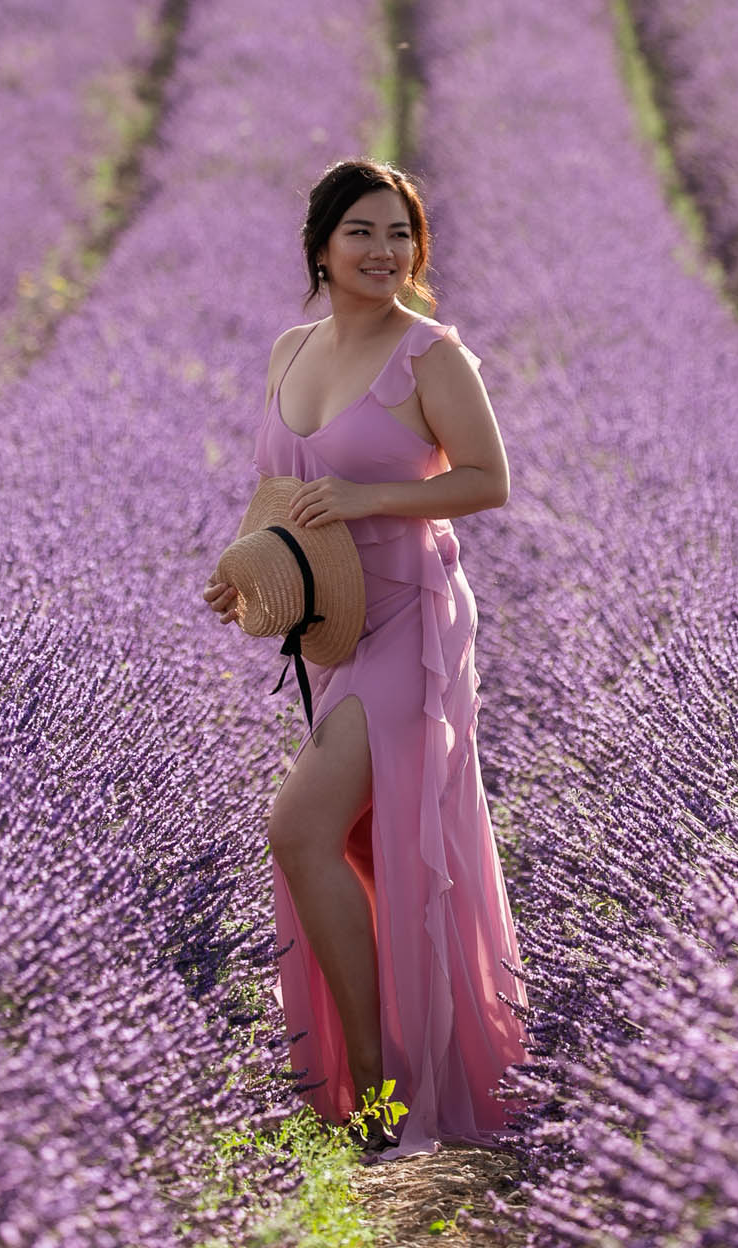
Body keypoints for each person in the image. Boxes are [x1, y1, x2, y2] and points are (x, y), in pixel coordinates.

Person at [203, 157, 529, 1162]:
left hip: (413, 624)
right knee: (354, 845)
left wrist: (371, 496)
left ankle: (382, 1079)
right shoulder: (290, 349)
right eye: (363, 232)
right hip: (334, 623)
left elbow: (489, 480)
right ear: (321, 246)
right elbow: (279, 490)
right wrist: (247, 572)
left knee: (300, 825)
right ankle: (375, 1081)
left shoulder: (431, 355)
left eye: (400, 234)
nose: (385, 251)